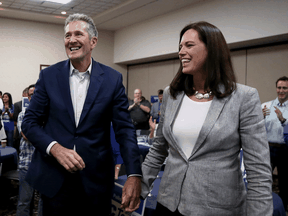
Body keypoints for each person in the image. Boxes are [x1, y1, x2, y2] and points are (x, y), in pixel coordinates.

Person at [141, 21, 272, 215]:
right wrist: (139, 186)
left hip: (217, 208)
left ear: (212, 50)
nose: (181, 52)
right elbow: (159, 149)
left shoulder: (243, 97)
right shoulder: (172, 94)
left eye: (189, 45)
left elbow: (258, 170)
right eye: (180, 47)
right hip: (168, 204)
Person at [21, 13, 141, 216]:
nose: (71, 40)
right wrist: (55, 148)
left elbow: (125, 130)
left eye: (78, 34)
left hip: (96, 181)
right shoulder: (49, 76)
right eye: (67, 35)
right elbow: (29, 123)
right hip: (55, 179)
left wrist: (134, 174)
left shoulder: (112, 79)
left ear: (93, 41)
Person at [261, 76, 288, 211]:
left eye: (284, 88)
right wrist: (259, 117)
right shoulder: (266, 106)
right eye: (279, 87)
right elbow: (255, 129)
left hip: (285, 149)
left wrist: (283, 120)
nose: (281, 90)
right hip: (269, 148)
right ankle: (264, 207)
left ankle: (282, 208)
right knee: (265, 179)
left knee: (284, 182)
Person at [16, 84, 42, 216]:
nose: (35, 96)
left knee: (44, 201)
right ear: (28, 97)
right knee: (25, 201)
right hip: (27, 163)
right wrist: (44, 137)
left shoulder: (47, 114)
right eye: (32, 94)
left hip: (44, 164)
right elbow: (26, 135)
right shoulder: (23, 114)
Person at [13, 87, 29, 152]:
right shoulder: (17, 104)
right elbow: (15, 118)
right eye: (28, 94)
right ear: (23, 94)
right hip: (20, 132)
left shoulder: (35, 104)